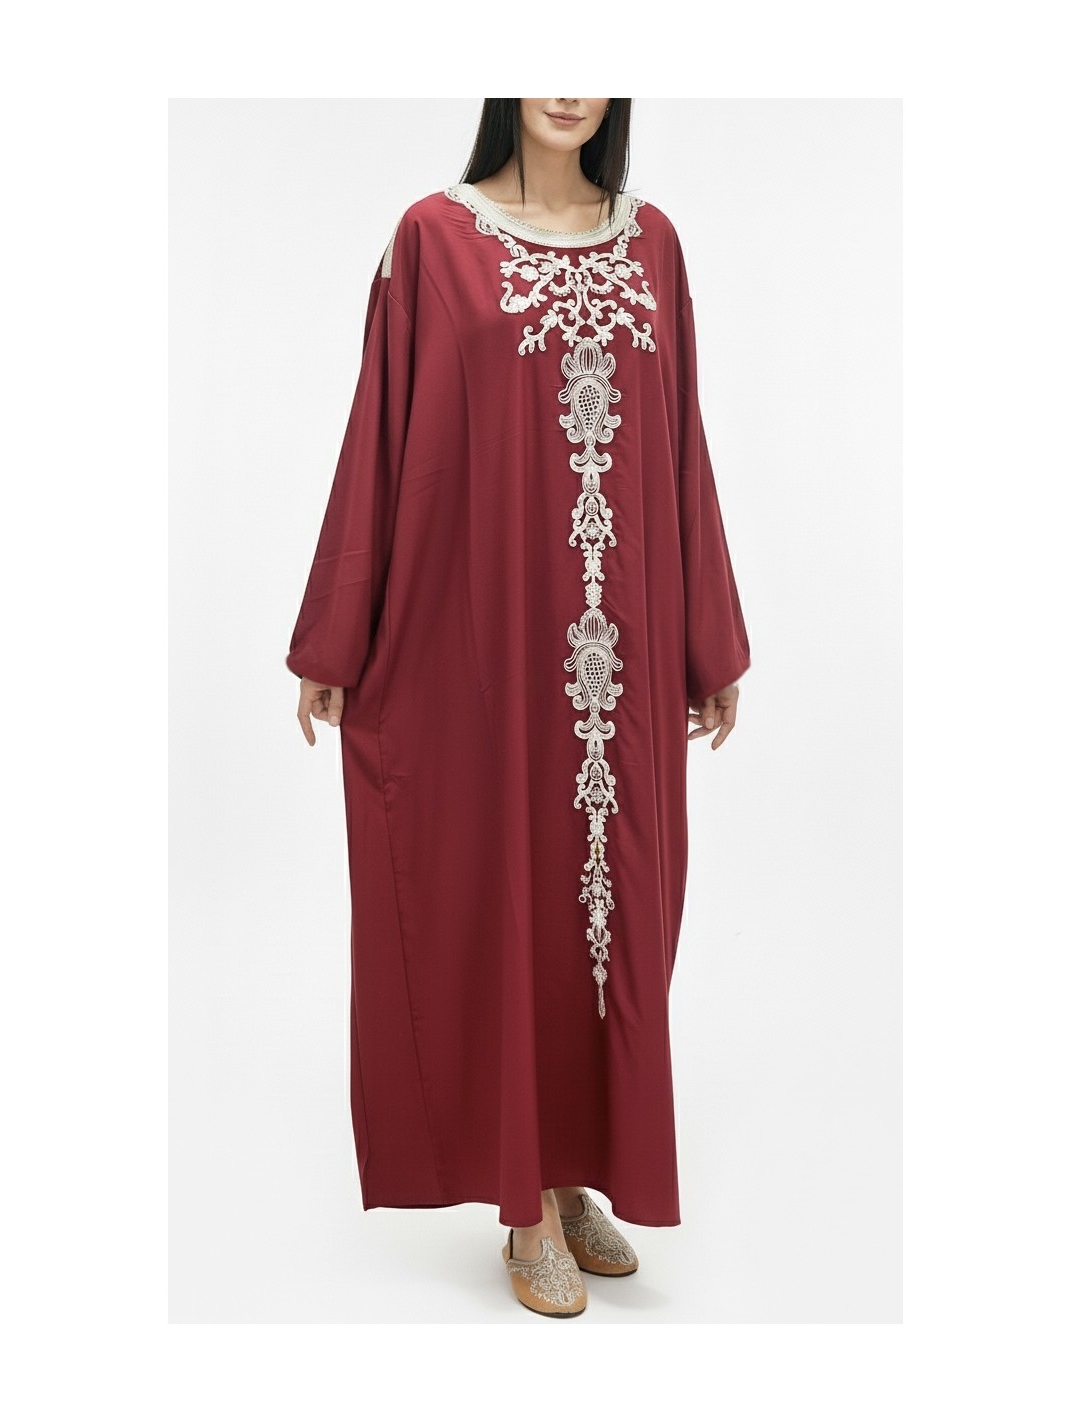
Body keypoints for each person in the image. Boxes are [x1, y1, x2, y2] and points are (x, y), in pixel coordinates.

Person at [286, 98, 751, 1318]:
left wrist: (708, 639)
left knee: (616, 911)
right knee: (502, 894)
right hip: (478, 642)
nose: (566, 85)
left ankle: (577, 1169)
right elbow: (381, 435)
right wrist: (336, 635)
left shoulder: (651, 243)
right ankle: (522, 1199)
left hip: (621, 662)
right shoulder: (432, 241)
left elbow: (681, 443)